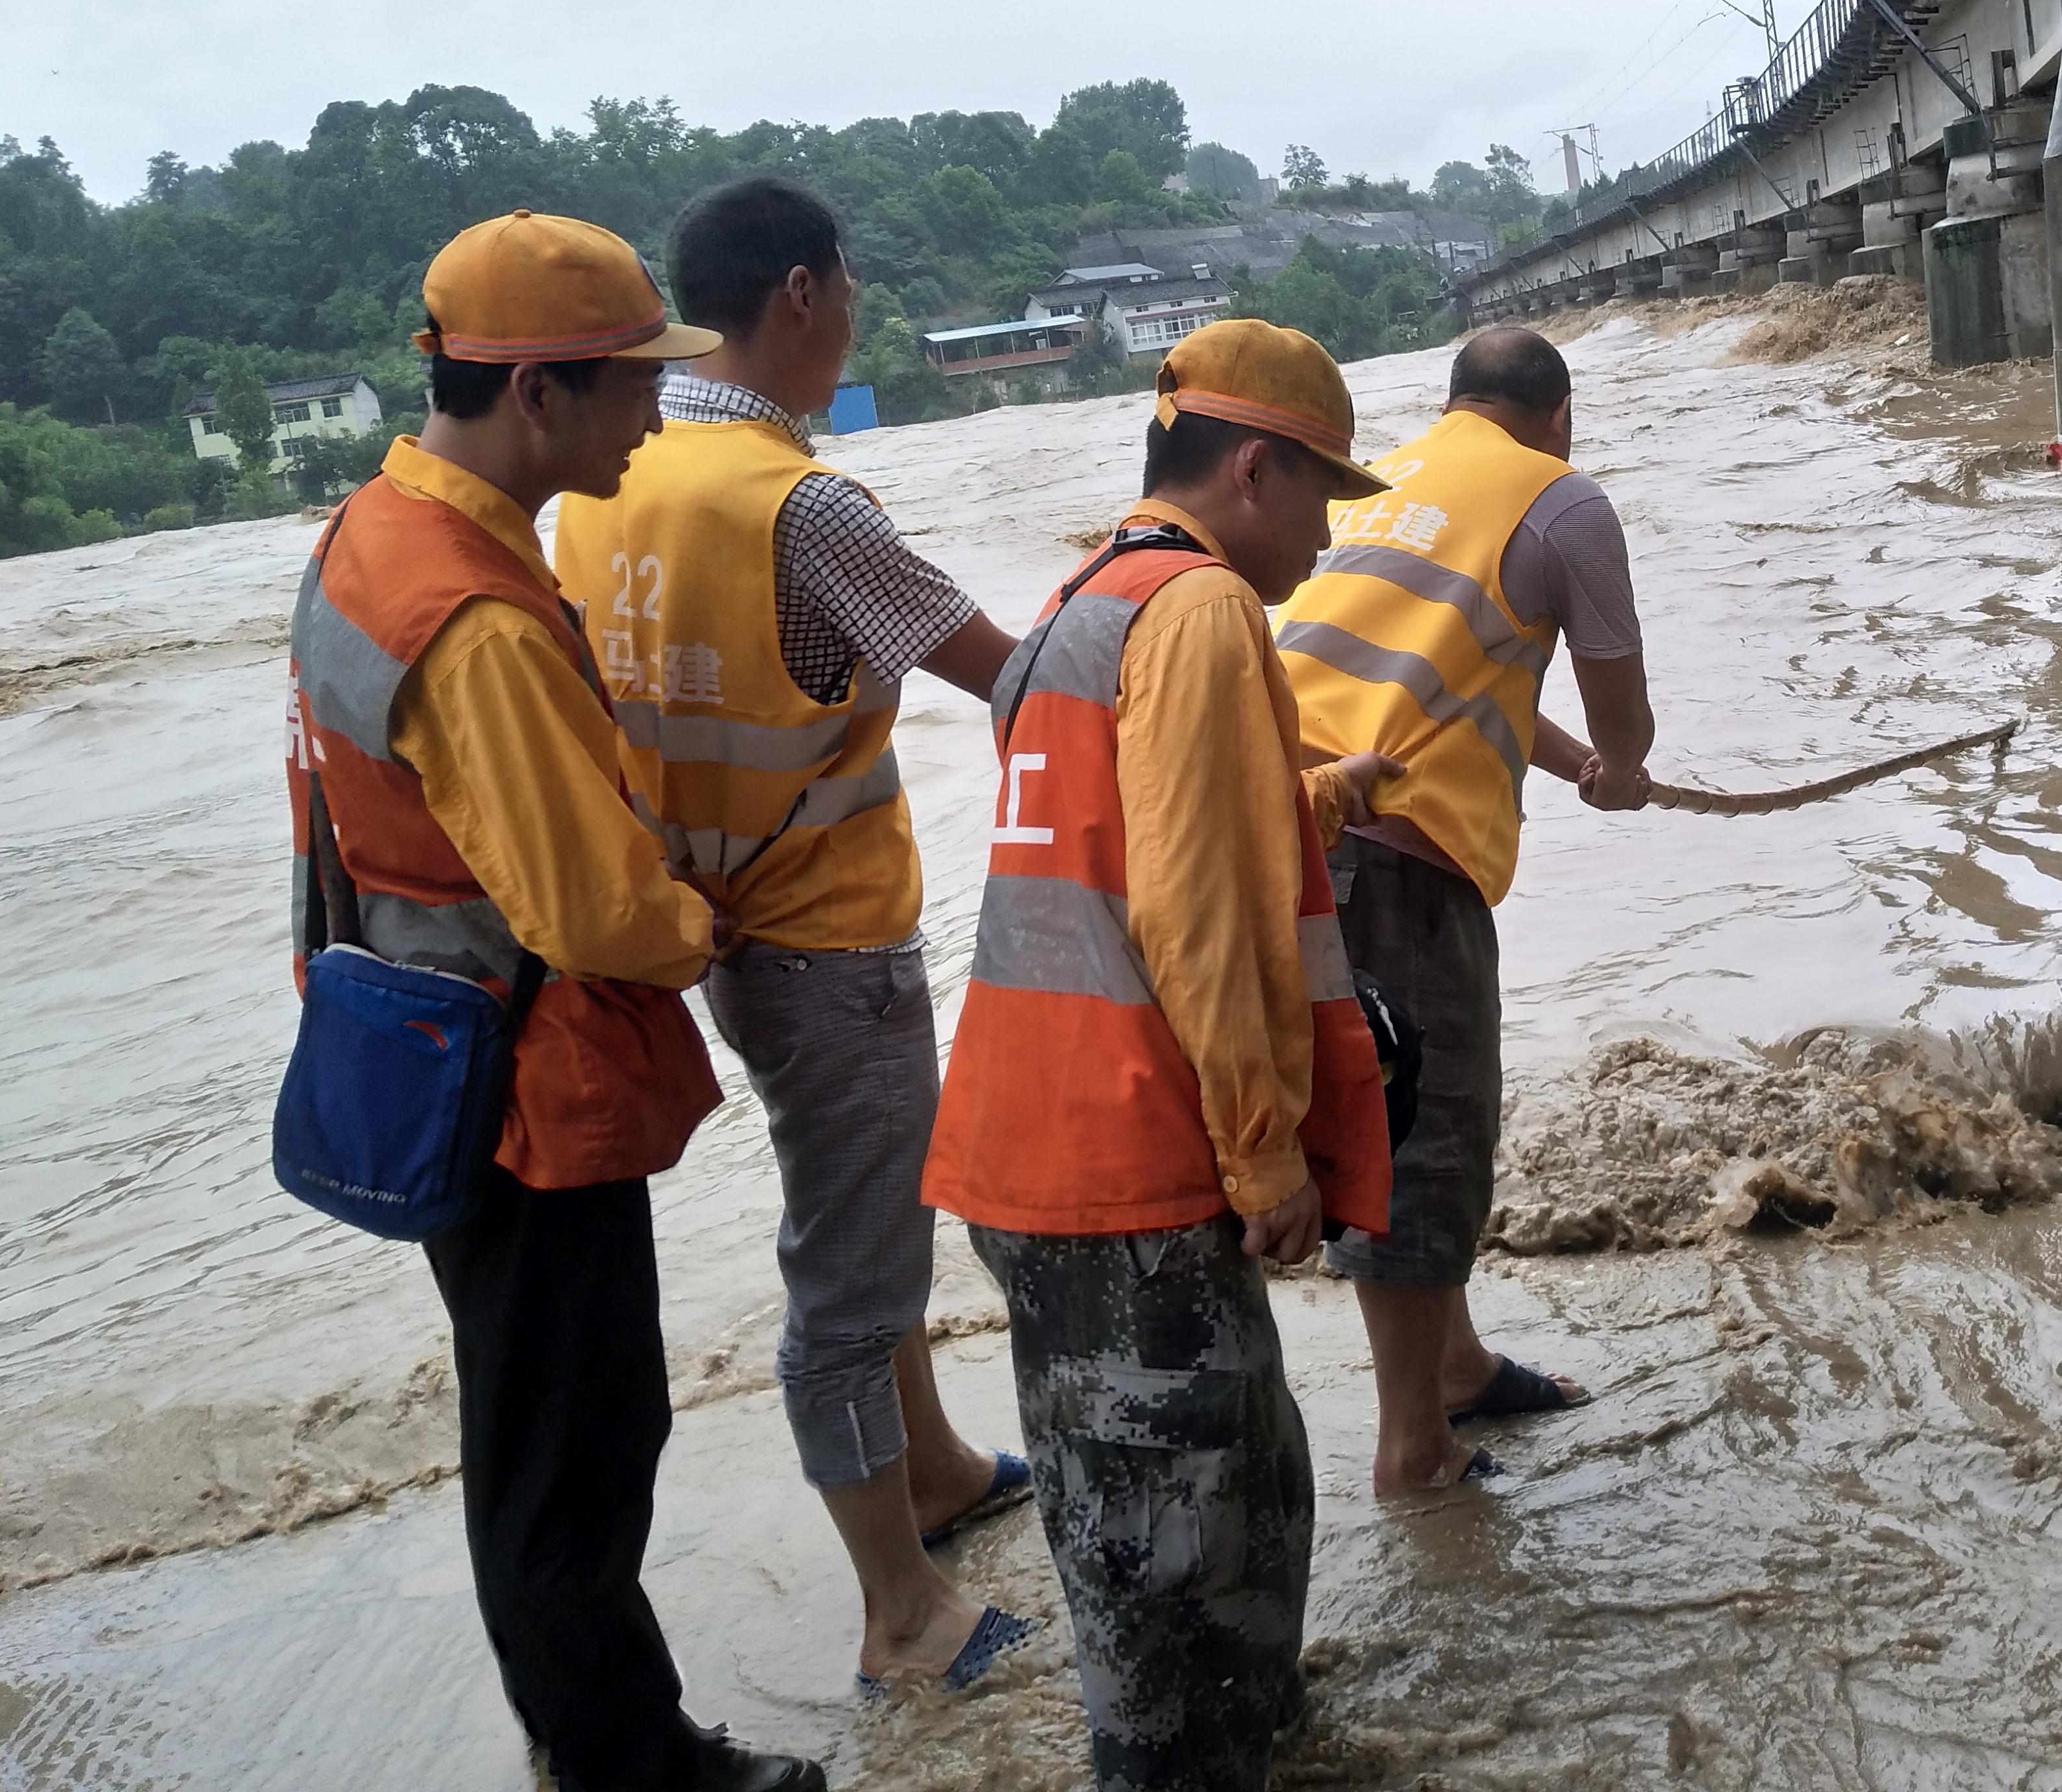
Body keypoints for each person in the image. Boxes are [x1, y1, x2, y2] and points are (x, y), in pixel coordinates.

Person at [284, 209, 823, 1792]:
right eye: (633, 385)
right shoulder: (481, 621)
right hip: (521, 1087)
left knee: (534, 1431)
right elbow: (595, 913)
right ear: (536, 396)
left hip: (424, 1045)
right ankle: (626, 1764)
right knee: (574, 1455)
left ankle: (579, 1739)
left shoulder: (372, 533)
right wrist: (699, 921)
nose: (658, 410)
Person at [553, 177, 1035, 1697]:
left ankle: (941, 1468)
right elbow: (1013, 680)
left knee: (862, 1211)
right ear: (810, 293)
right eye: (856, 292)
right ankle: (902, 1615)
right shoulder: (803, 506)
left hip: (716, 932)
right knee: (850, 1269)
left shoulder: (606, 481)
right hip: (829, 937)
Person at [923, 320, 1400, 1792]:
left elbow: (1128, 839)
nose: (1325, 535)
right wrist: (1264, 1153)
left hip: (1035, 1147)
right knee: (1174, 1576)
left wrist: (1314, 796)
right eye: (1320, 493)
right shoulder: (1199, 612)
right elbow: (1191, 911)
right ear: (1252, 466)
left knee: (1216, 1508)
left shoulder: (1087, 599)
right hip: (1126, 1163)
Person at [1271, 324, 1657, 1494]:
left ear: (1455, 407)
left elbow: (1458, 685)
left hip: (1287, 819)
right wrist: (1623, 767)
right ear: (1559, 417)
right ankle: (1417, 1444)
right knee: (1424, 1137)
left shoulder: (1381, 486)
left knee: (1381, 1106)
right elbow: (1623, 706)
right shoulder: (1561, 501)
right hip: (1389, 855)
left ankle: (1459, 1361)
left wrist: (1577, 762)